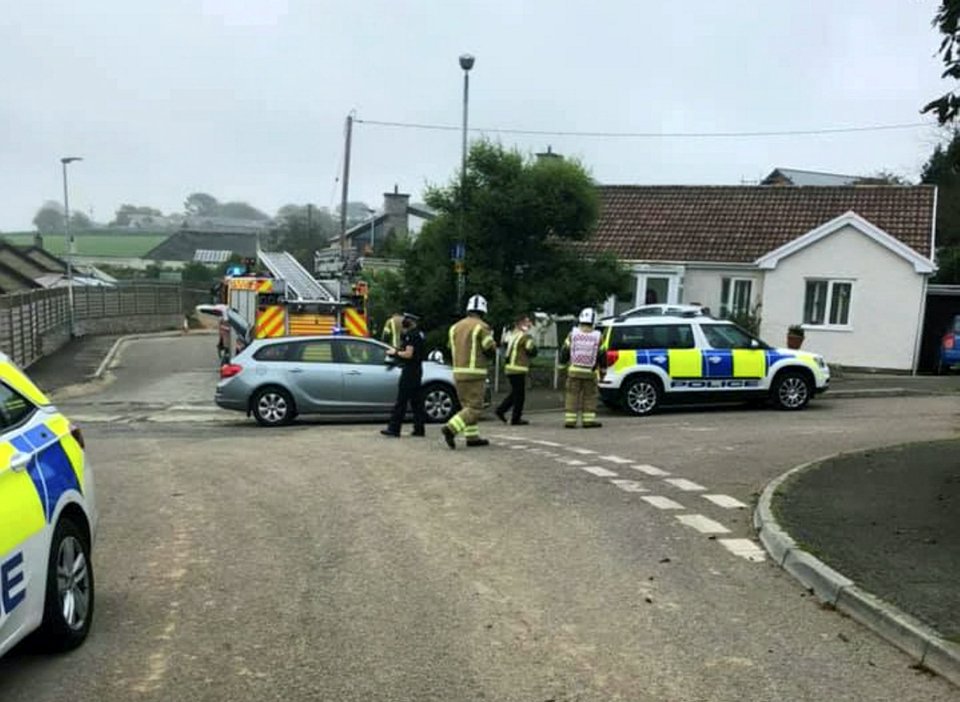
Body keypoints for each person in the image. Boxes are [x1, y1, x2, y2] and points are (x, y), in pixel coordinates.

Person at [441, 295, 496, 449]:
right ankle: (450, 428)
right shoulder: (482, 327)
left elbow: (450, 347)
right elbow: (489, 348)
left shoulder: (454, 327)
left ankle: (472, 437)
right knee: (475, 408)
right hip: (475, 373)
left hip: (458, 372)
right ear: (483, 311)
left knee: (466, 406)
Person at [381, 313, 427, 438]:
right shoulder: (420, 334)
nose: (404, 321)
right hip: (417, 370)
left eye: (407, 319)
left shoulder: (411, 335)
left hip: (410, 371)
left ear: (412, 321)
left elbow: (408, 354)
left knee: (401, 401)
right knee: (416, 402)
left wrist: (395, 352)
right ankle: (419, 429)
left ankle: (394, 429)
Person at [560, 307, 606, 429]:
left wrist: (561, 367)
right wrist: (603, 371)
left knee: (572, 395)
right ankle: (588, 421)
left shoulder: (572, 334)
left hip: (574, 371)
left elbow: (564, 352)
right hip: (589, 372)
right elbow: (602, 356)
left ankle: (570, 421)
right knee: (589, 396)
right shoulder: (598, 336)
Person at [495, 314, 537, 425]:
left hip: (510, 368)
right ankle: (515, 418)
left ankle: (501, 410)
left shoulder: (514, 335)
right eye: (527, 322)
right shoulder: (525, 336)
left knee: (515, 393)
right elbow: (530, 349)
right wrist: (532, 341)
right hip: (518, 368)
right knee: (519, 396)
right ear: (520, 323)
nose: (529, 324)